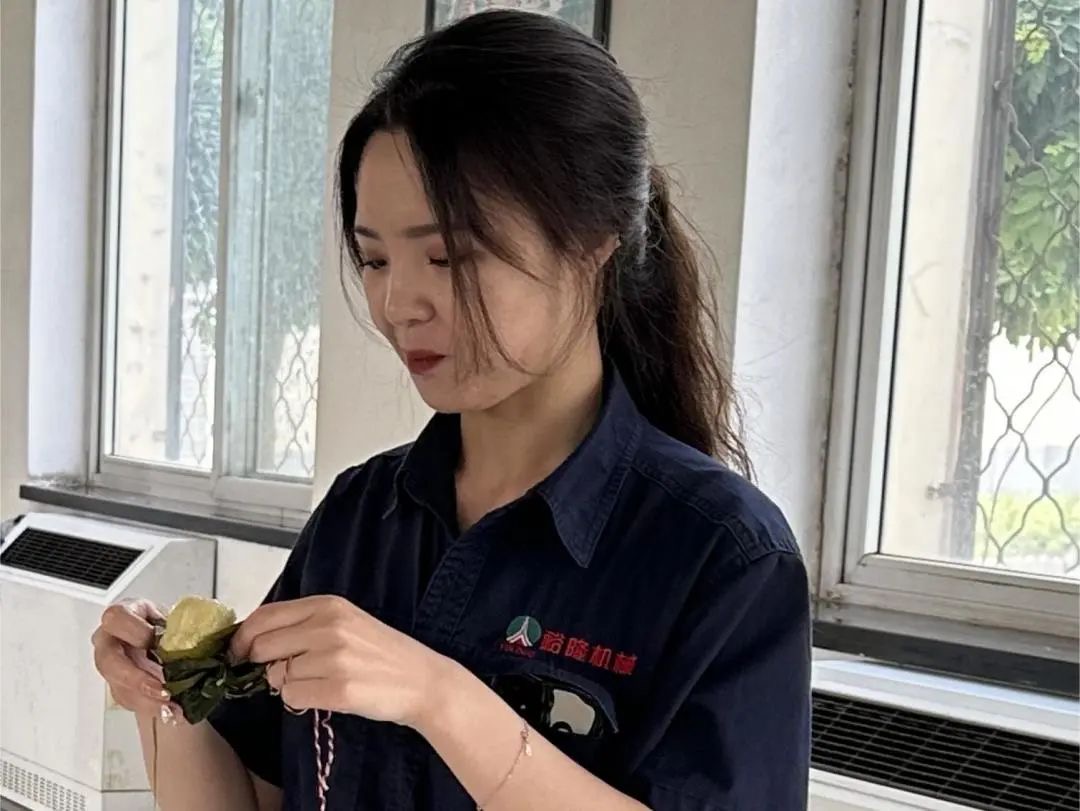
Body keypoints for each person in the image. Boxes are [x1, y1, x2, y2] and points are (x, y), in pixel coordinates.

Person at [92, 10, 810, 810]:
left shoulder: (720, 556)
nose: (399, 302)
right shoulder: (361, 516)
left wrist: (440, 697)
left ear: (593, 243)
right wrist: (164, 692)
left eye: (449, 255)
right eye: (374, 258)